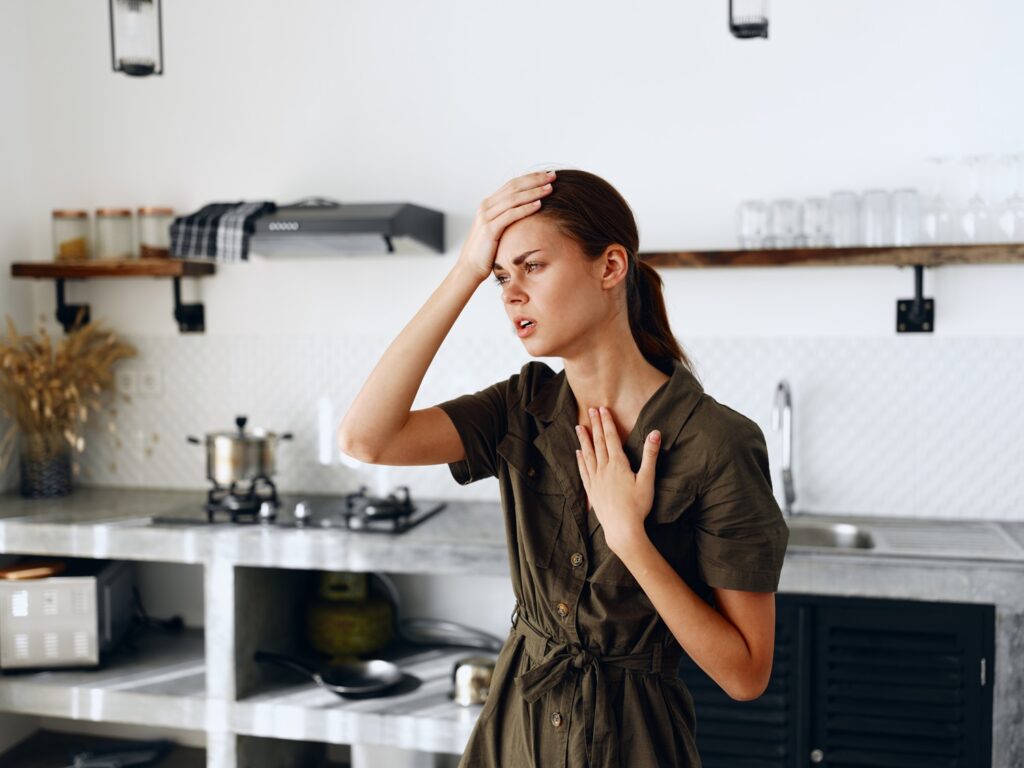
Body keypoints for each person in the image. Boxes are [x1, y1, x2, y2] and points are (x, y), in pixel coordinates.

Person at [337, 169, 789, 768]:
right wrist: (466, 269)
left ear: (610, 267)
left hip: (635, 745)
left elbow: (746, 674)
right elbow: (366, 439)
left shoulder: (717, 442)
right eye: (500, 277)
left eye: (533, 266)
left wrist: (630, 538)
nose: (510, 294)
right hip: (514, 738)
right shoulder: (520, 408)